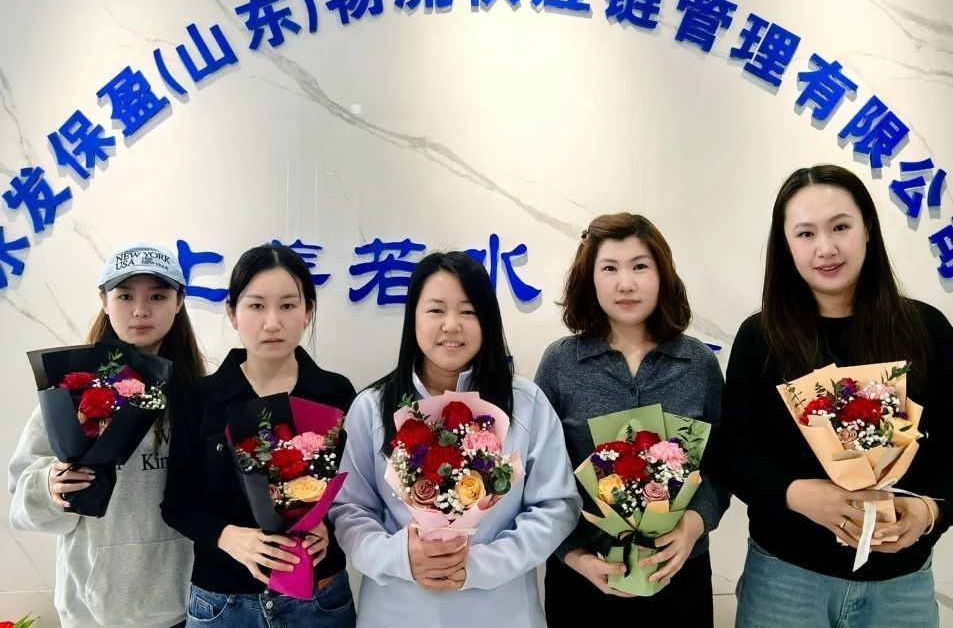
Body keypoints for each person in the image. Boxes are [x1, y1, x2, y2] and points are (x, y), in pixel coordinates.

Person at [715, 164, 952, 627]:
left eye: (840, 227)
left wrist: (928, 511)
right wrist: (798, 494)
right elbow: (733, 454)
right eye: (805, 234)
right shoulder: (761, 337)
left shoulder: (926, 329)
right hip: (785, 581)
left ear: (868, 230)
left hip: (901, 586)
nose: (825, 248)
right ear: (786, 245)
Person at [329, 251, 581, 627]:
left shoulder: (525, 403)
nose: (451, 325)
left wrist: (478, 565)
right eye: (436, 310)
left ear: (488, 320)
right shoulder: (372, 407)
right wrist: (402, 556)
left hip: (501, 610)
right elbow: (349, 510)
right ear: (413, 317)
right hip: (399, 609)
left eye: (468, 311)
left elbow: (556, 506)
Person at [535, 213, 727, 626]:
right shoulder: (560, 363)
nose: (626, 283)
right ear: (590, 278)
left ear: (662, 274)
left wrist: (693, 526)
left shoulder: (698, 364)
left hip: (679, 574)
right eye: (610, 268)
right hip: (583, 581)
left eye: (640, 266)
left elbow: (722, 466)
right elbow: (541, 477)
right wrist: (575, 556)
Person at [9, 243, 206, 628]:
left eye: (158, 296)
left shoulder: (200, 394)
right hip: (92, 614)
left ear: (180, 302)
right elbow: (20, 501)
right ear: (103, 300)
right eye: (125, 296)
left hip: (187, 609)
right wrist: (50, 485)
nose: (140, 310)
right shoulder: (70, 393)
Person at [161, 244, 357, 627]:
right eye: (256, 306)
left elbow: (357, 497)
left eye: (288, 305)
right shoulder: (203, 398)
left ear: (308, 311)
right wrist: (228, 536)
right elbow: (177, 505)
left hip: (319, 602)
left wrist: (328, 528)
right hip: (223, 605)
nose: (272, 322)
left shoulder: (335, 393)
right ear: (232, 313)